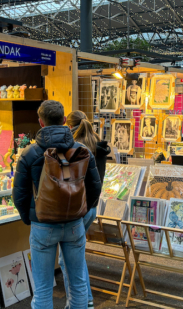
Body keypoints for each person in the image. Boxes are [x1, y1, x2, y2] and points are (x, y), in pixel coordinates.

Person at [13, 100, 102, 309]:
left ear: (41, 122)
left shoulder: (29, 154)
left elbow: (19, 195)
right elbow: (95, 187)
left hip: (43, 225)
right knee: (78, 283)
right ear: (63, 120)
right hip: (74, 224)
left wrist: (30, 218)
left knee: (43, 288)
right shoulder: (82, 150)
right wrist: (82, 210)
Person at [63, 110, 110, 309]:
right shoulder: (97, 144)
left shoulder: (75, 149)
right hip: (92, 207)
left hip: (78, 209)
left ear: (69, 125)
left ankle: (77, 302)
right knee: (77, 255)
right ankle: (87, 299)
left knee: (67, 258)